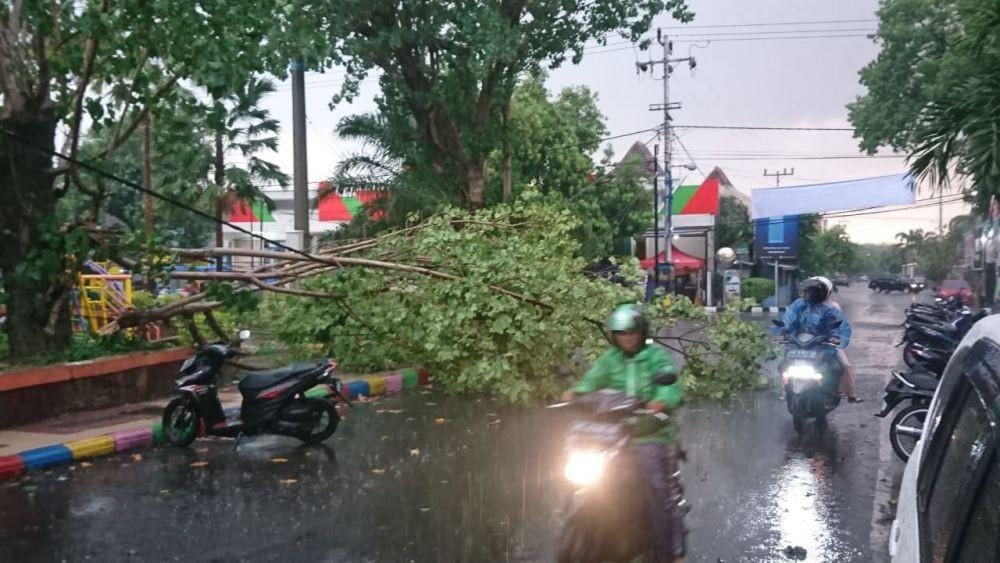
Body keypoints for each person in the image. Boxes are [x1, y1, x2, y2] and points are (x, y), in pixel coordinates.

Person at [562, 304, 686, 563]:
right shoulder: (610, 359)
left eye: (631, 333)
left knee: (658, 492)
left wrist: (660, 401)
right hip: (614, 435)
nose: (627, 338)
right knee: (584, 480)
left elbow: (670, 386)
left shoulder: (655, 357)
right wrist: (575, 393)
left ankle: (671, 554)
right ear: (614, 336)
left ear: (642, 333)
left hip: (651, 433)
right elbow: (592, 380)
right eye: (621, 334)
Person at [779, 277, 855, 399]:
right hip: (799, 343)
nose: (804, 294)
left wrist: (835, 337)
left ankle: (842, 391)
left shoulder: (830, 308)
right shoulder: (798, 305)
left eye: (807, 291)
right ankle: (786, 389)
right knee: (784, 364)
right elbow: (788, 319)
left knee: (840, 366)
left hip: (822, 345)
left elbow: (838, 325)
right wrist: (784, 332)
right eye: (803, 291)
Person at [814, 276, 862, 403]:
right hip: (808, 343)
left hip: (827, 342)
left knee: (845, 365)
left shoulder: (834, 306)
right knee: (788, 363)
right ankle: (786, 391)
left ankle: (850, 394)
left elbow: (838, 324)